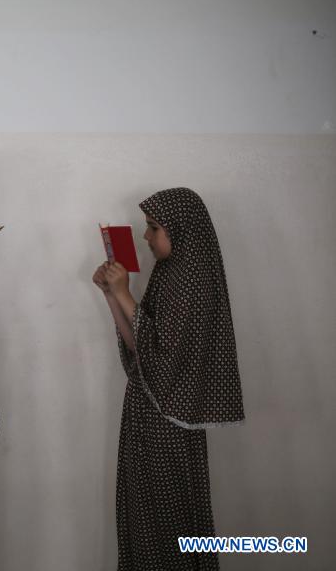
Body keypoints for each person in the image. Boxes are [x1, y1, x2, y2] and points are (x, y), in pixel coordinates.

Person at [92, 187, 244, 570]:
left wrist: (125, 293)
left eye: (153, 228)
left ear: (181, 230)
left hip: (169, 425)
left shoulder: (193, 280)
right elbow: (141, 349)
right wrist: (112, 295)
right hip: (147, 415)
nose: (146, 237)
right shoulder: (169, 272)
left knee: (169, 520)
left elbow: (165, 358)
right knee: (145, 519)